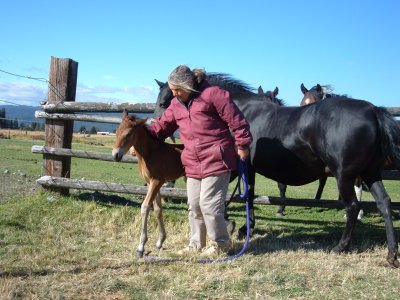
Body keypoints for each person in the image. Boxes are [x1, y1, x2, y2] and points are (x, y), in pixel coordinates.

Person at [146, 65, 252, 255]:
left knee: (209, 204)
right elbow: (161, 127)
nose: (174, 93)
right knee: (194, 205)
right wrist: (141, 135)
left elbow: (237, 121)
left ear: (188, 85)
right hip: (193, 162)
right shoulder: (176, 104)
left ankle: (220, 244)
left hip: (217, 159)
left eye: (177, 89)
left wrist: (243, 145)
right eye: (172, 90)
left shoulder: (214, 95)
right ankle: (196, 244)